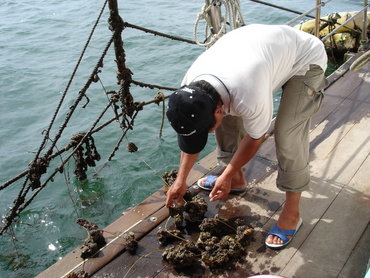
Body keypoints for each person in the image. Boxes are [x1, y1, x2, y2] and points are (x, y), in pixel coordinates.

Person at [165, 24, 327, 249]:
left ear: (217, 109)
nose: (207, 134)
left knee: (287, 134)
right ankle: (237, 180)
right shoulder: (191, 88)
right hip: (258, 55)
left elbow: (256, 137)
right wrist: (180, 180)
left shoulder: (249, 91)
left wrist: (226, 172)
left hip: (305, 61)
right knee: (225, 123)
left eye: (206, 130)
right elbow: (192, 135)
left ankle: (292, 213)